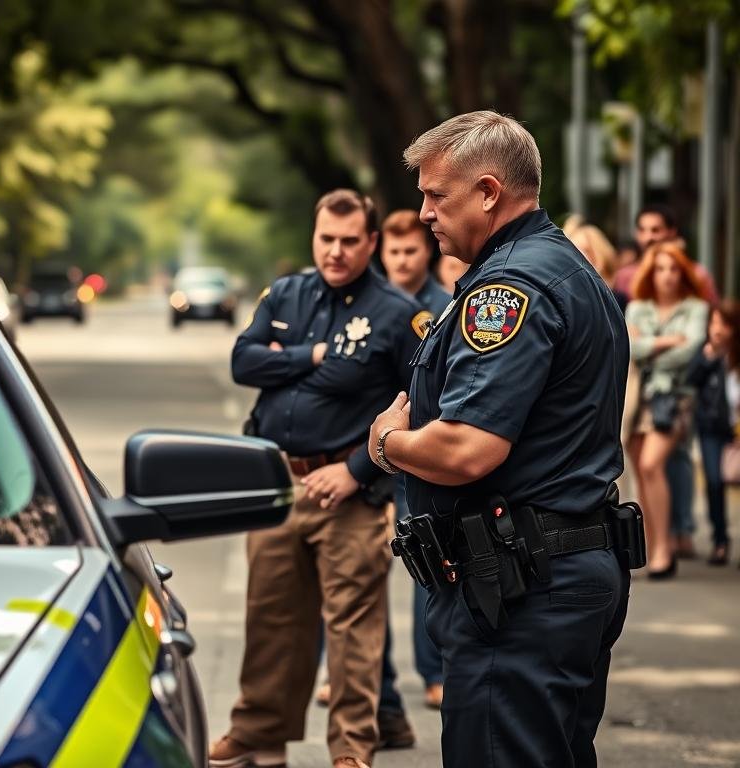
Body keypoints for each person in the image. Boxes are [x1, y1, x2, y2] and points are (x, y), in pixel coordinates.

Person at [370, 110, 633, 768]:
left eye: (437, 194)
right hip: (552, 571)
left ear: (489, 191)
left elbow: (468, 449)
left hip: (520, 589)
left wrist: (389, 444)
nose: (424, 212)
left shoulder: (507, 290)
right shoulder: (564, 269)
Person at [211, 189, 422, 768]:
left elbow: (419, 406)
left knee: (353, 633)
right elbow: (243, 361)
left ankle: (351, 751)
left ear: (372, 243)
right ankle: (258, 736)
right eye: (326, 238)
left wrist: (355, 471)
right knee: (271, 619)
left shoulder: (398, 314)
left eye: (349, 241)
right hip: (278, 483)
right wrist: (309, 356)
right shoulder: (286, 293)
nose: (335, 251)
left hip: (348, 494)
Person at [378, 208, 446, 710]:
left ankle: (433, 672)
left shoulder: (444, 308)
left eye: (411, 250)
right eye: (394, 251)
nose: (402, 260)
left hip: (416, 451)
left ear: (427, 252)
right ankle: (369, 679)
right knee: (357, 576)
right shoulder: (368, 303)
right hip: (367, 450)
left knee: (425, 564)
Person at [624, 242, 708, 577]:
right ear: (650, 272)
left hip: (674, 397)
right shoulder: (638, 306)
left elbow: (689, 352)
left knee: (651, 463)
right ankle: (655, 545)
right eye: (660, 269)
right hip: (636, 397)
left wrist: (648, 346)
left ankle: (663, 547)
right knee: (643, 472)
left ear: (683, 272)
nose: (667, 276)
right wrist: (663, 342)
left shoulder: (695, 308)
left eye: (674, 269)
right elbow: (629, 346)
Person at [687, 301, 740, 565]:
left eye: (724, 324)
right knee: (714, 481)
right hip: (711, 428)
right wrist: (709, 356)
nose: (718, 329)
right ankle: (720, 539)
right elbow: (691, 378)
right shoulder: (706, 352)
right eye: (714, 322)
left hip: (736, 430)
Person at [566, 222, 628, 313]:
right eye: (574, 250)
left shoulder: (617, 299)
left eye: (586, 250)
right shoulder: (566, 300)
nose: (579, 255)